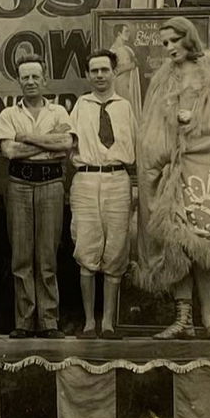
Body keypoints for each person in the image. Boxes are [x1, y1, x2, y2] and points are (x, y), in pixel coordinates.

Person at [137, 18, 210, 339]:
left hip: (203, 168)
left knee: (203, 240)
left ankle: (209, 314)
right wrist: (164, 151)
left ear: (189, 39)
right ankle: (183, 317)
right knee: (174, 242)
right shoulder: (161, 80)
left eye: (174, 41)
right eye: (164, 42)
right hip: (170, 168)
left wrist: (194, 123)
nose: (169, 48)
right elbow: (149, 127)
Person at [0, 55, 75, 339]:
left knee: (47, 256)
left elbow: (66, 145)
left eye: (35, 77)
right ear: (19, 81)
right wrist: (46, 143)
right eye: (24, 77)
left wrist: (27, 138)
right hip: (19, 184)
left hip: (52, 184)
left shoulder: (59, 113)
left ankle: (49, 321)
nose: (30, 82)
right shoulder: (8, 114)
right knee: (21, 257)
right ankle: (25, 321)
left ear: (45, 80)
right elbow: (10, 153)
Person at [69, 49, 137, 338]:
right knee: (86, 246)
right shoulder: (81, 106)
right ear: (88, 74)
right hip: (86, 179)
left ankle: (108, 322)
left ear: (114, 72)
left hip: (117, 178)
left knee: (116, 247)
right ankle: (88, 322)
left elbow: (138, 145)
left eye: (104, 70)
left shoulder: (125, 107)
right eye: (94, 71)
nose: (99, 76)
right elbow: (68, 143)